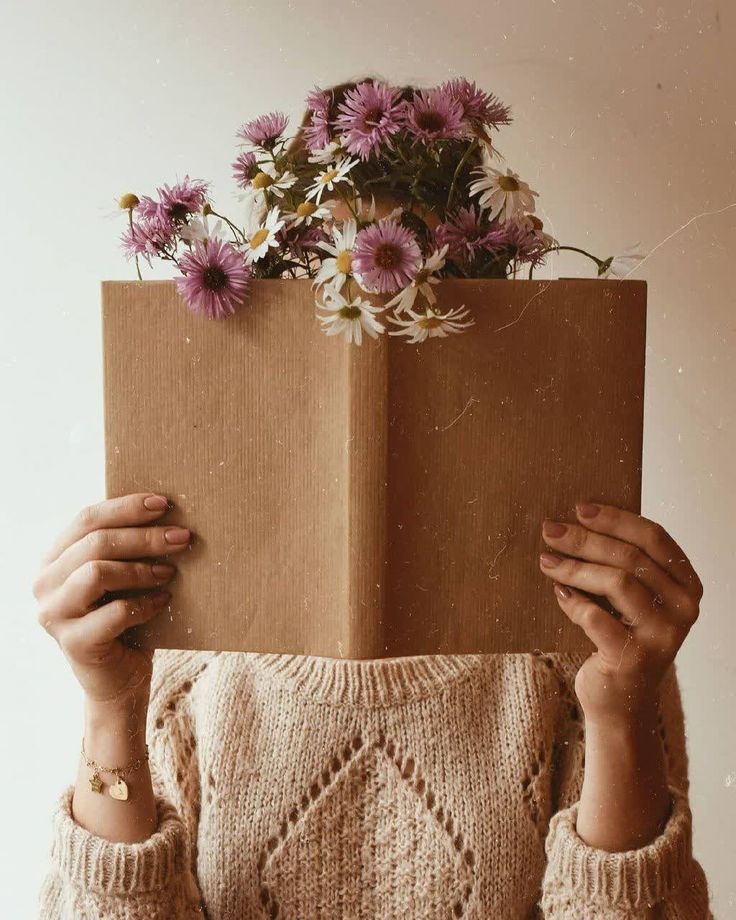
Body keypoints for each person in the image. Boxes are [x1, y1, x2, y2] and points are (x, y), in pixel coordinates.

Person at [36, 79, 713, 919]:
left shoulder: (584, 628)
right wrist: (110, 707)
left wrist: (620, 717)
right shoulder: (188, 624)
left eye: (424, 280)